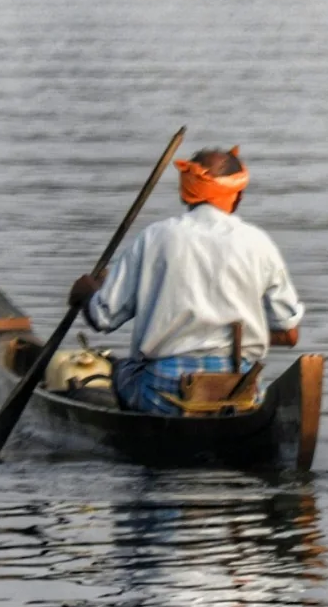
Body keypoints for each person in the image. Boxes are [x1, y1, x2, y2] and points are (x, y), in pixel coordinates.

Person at [69, 147, 304, 416]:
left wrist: (88, 294)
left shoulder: (154, 237)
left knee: (121, 369)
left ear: (186, 193)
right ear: (237, 196)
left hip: (164, 393)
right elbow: (289, 333)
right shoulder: (259, 243)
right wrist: (228, 333)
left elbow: (103, 318)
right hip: (237, 391)